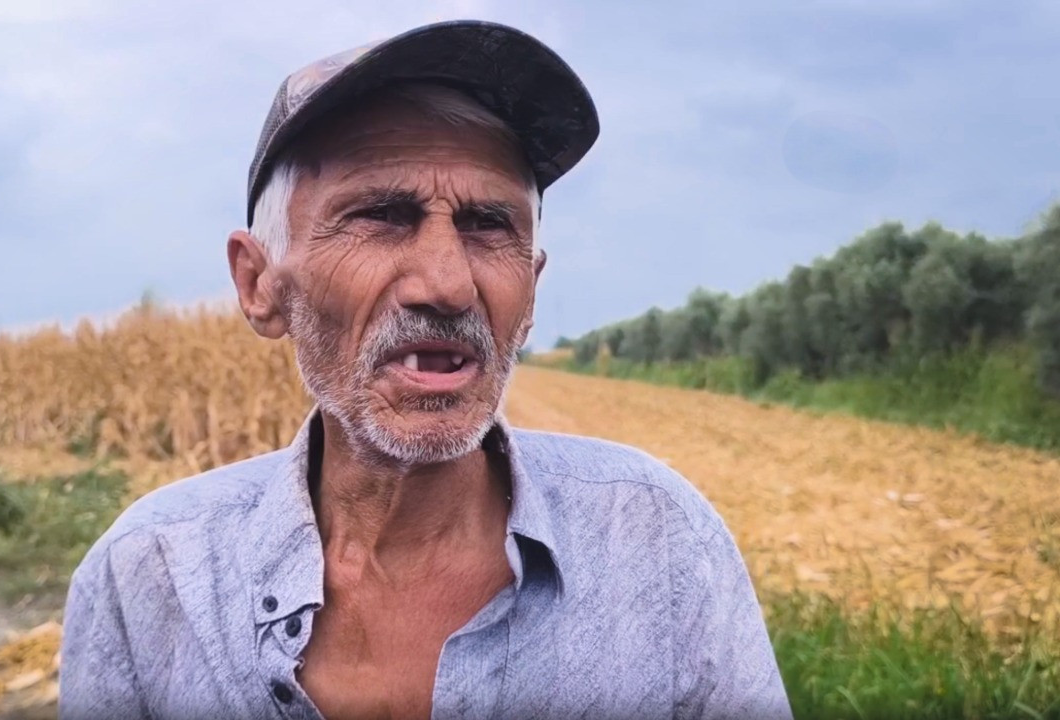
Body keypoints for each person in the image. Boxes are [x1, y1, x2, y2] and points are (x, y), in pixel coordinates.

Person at [60, 20, 791, 720]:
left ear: (532, 289)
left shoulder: (657, 543)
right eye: (381, 215)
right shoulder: (149, 579)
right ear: (259, 284)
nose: (447, 284)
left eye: (488, 224)